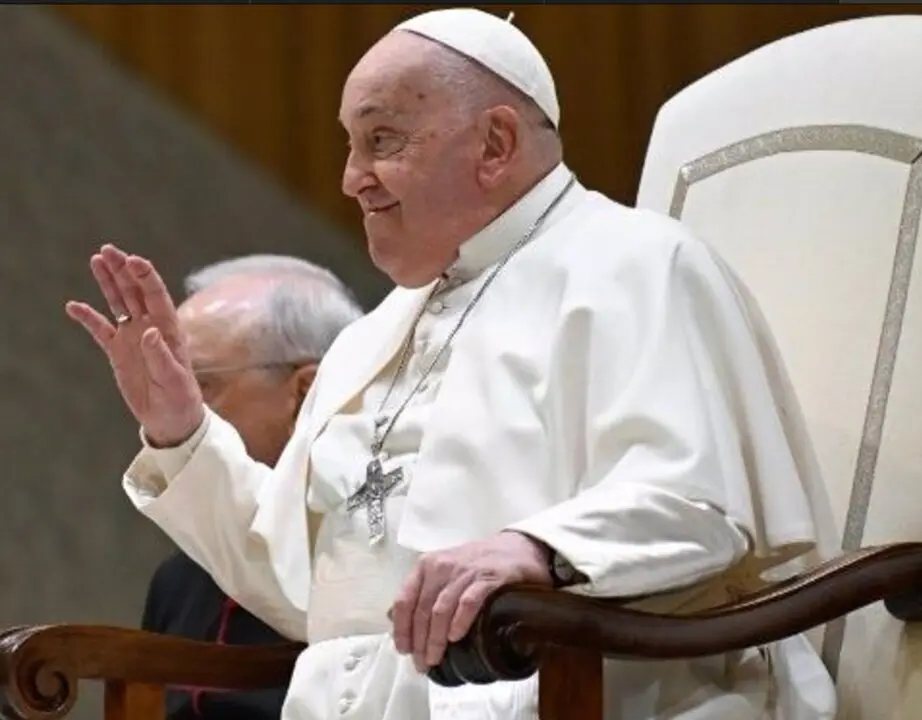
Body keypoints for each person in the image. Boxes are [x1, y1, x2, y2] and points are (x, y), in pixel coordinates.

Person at [66, 7, 838, 719]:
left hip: (595, 694)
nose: (350, 177)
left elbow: (701, 506)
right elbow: (301, 587)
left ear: (495, 144)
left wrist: (537, 549)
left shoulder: (637, 266)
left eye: (382, 139)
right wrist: (182, 431)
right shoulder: (376, 334)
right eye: (348, 143)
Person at [139, 256, 362, 720]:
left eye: (200, 384)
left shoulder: (369, 549)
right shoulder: (176, 580)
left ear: (305, 391)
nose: (170, 407)